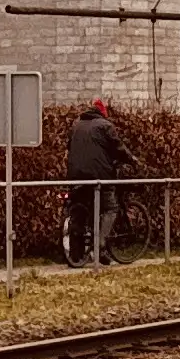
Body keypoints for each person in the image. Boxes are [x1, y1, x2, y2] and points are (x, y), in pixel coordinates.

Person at [63, 97, 128, 267]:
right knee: (110, 208)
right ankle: (100, 246)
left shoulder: (76, 126)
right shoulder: (105, 126)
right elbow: (119, 148)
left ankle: (76, 257)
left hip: (75, 176)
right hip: (99, 175)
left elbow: (69, 147)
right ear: (102, 113)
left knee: (79, 212)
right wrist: (133, 160)